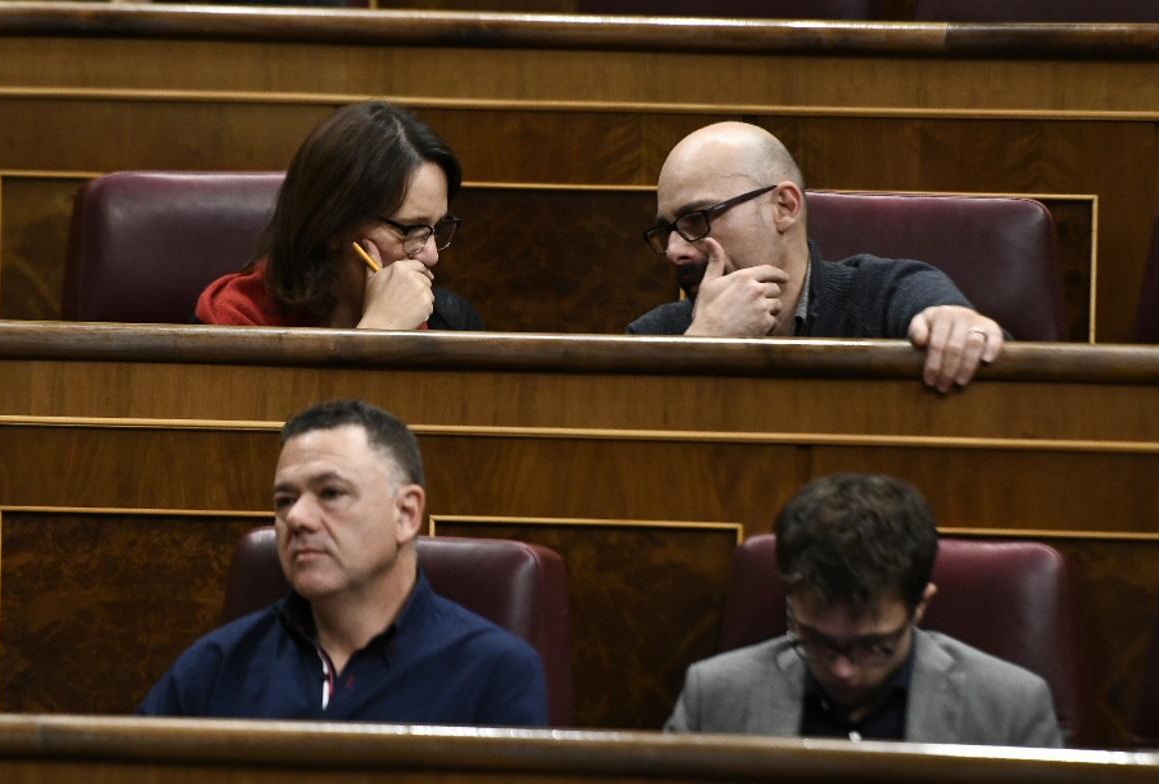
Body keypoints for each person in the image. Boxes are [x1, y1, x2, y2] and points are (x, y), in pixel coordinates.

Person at [139, 399, 546, 725]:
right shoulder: (217, 666)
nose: (296, 518)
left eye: (330, 493)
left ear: (405, 514)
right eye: (284, 501)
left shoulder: (494, 672)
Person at [665, 473, 1063, 747]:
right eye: (817, 641)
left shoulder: (1009, 707)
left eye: (872, 646)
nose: (843, 670)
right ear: (790, 598)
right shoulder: (715, 697)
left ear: (920, 605)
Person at [629, 122, 1005, 393]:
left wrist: (959, 330)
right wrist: (702, 346)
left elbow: (998, 370)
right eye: (667, 231)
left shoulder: (890, 295)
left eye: (698, 218)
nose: (677, 250)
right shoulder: (654, 336)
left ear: (784, 207)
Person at [194, 101, 482, 331]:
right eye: (409, 229)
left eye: (436, 228)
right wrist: (379, 334)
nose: (432, 255)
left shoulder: (452, 322)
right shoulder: (231, 325)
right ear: (333, 225)